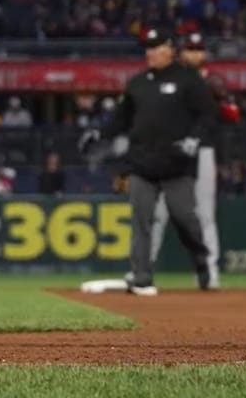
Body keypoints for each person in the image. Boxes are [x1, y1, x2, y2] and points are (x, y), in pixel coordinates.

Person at [85, 28, 215, 295]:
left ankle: (201, 260)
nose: (150, 52)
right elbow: (121, 119)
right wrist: (99, 132)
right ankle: (142, 276)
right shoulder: (138, 83)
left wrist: (194, 138)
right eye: (148, 47)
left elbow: (207, 115)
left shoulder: (188, 79)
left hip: (177, 164)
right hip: (142, 163)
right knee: (141, 218)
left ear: (169, 49)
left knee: (184, 218)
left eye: (156, 46)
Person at [149, 32, 223, 288]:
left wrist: (224, 101)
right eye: (190, 49)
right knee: (156, 212)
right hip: (166, 151)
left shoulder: (212, 82)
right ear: (180, 53)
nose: (194, 54)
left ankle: (209, 272)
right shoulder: (168, 78)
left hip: (202, 150)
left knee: (204, 214)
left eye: (198, 49)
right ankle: (143, 271)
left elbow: (226, 116)